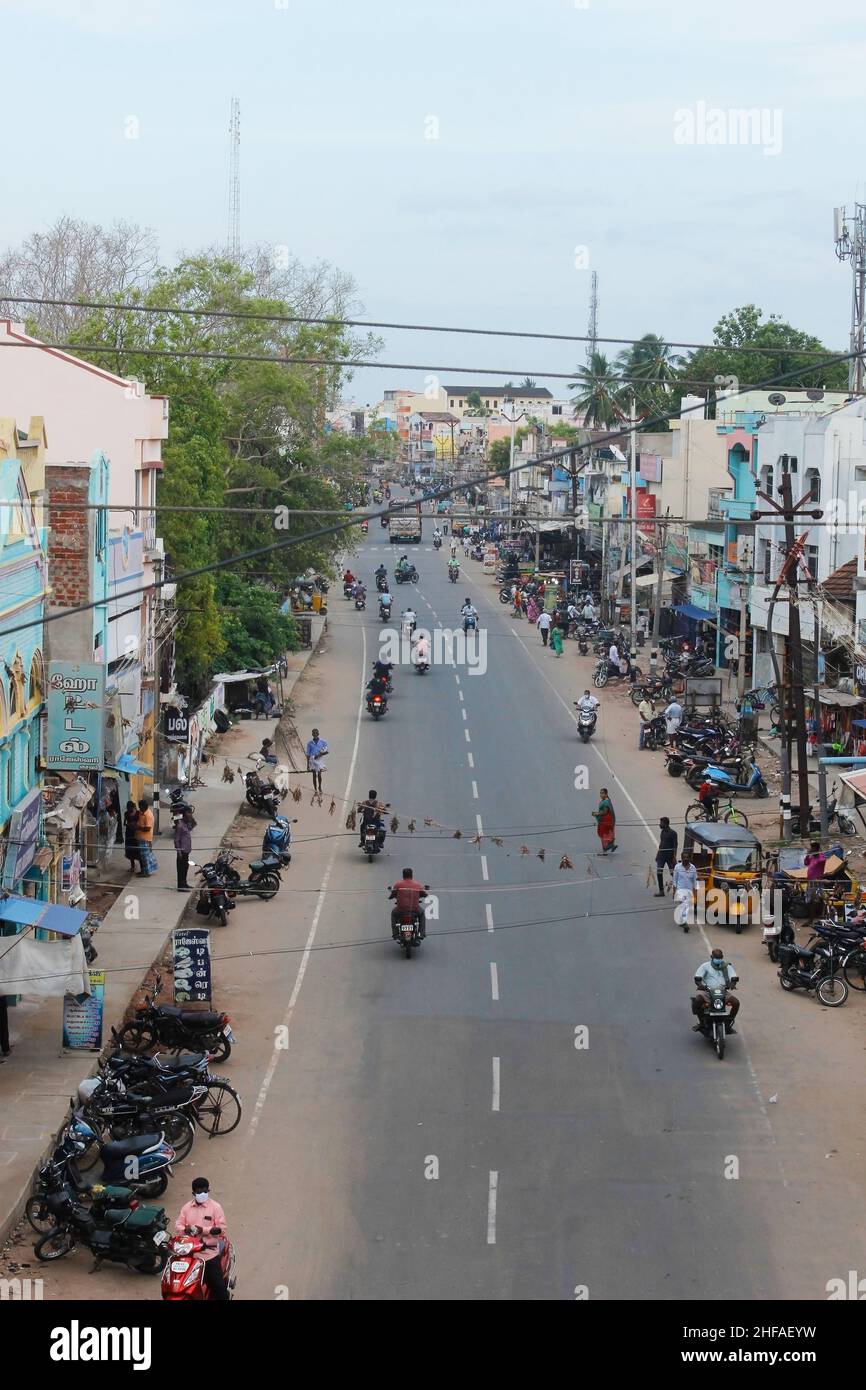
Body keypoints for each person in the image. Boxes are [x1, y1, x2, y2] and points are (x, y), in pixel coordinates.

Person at [175, 1177, 230, 1301]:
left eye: (205, 1191)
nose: (202, 1194)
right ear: (194, 1193)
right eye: (199, 1192)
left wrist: (203, 1230)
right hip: (189, 1253)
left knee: (219, 1287)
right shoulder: (186, 1208)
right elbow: (178, 1225)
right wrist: (185, 1229)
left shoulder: (215, 1207)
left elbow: (222, 1229)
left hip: (208, 1254)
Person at [692, 948, 740, 1033]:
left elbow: (734, 977)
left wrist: (732, 984)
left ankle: (728, 1024)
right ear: (711, 957)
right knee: (697, 1001)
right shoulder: (705, 966)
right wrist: (700, 985)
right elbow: (698, 977)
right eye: (716, 958)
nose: (718, 960)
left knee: (736, 1003)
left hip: (723, 991)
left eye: (720, 958)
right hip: (708, 992)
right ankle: (701, 1022)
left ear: (722, 957)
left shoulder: (727, 966)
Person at [389, 868, 428, 941]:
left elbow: (392, 895)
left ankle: (396, 934)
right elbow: (424, 894)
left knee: (393, 914)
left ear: (403, 875)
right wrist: (421, 895)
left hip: (400, 910)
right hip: (415, 910)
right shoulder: (418, 885)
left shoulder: (398, 884)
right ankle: (421, 933)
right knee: (422, 913)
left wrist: (391, 897)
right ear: (412, 875)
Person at [672, 850, 698, 930]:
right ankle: (684, 923)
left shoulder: (693, 868)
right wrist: (674, 892)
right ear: (682, 858)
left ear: (689, 858)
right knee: (685, 905)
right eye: (684, 858)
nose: (685, 859)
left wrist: (696, 895)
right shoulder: (677, 867)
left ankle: (681, 920)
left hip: (689, 891)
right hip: (680, 891)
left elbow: (695, 882)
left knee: (686, 907)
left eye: (687, 857)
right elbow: (674, 881)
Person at [654, 817, 678, 895]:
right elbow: (661, 844)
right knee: (659, 872)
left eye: (661, 823)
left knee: (673, 873)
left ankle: (678, 890)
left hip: (670, 857)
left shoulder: (673, 833)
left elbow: (675, 846)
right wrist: (658, 854)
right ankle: (661, 891)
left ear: (665, 823)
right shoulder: (662, 832)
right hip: (661, 856)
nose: (660, 824)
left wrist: (674, 857)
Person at [174, 808, 195, 892]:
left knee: (185, 867)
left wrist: (191, 818)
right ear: (184, 816)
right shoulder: (180, 825)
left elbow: (194, 824)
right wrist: (179, 852)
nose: (190, 816)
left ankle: (184, 883)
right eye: (188, 814)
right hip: (181, 852)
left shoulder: (186, 824)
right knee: (181, 869)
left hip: (186, 850)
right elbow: (176, 840)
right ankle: (181, 886)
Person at [592, 788, 616, 854]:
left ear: (606, 794)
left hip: (606, 820)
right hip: (606, 819)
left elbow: (605, 812)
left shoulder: (606, 802)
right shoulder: (606, 800)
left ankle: (606, 848)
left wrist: (597, 813)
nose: (601, 795)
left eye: (602, 793)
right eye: (600, 793)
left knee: (603, 833)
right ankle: (610, 846)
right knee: (606, 833)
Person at [306, 728, 329, 795]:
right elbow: (308, 754)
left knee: (319, 774)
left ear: (318, 734)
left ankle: (320, 787)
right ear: (312, 734)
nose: (315, 734)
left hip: (319, 759)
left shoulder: (323, 742)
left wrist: (319, 755)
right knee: (314, 774)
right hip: (312, 760)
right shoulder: (309, 743)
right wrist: (307, 765)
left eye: (316, 733)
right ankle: (315, 788)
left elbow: (326, 751)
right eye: (314, 733)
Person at [136, 797, 156, 877]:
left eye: (140, 806)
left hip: (145, 838)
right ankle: (143, 871)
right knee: (141, 856)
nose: (139, 808)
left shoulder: (148, 815)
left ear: (143, 806)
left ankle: (146, 872)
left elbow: (147, 828)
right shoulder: (142, 813)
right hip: (140, 837)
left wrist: (138, 827)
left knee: (145, 857)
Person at [124, 801, 141, 875]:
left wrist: (134, 824)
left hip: (136, 833)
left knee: (138, 850)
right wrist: (129, 824)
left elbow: (140, 822)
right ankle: (132, 867)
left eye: (129, 808)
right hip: (129, 834)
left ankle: (142, 867)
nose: (128, 809)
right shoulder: (126, 813)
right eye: (127, 808)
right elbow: (124, 823)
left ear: (133, 807)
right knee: (130, 851)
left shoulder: (138, 813)